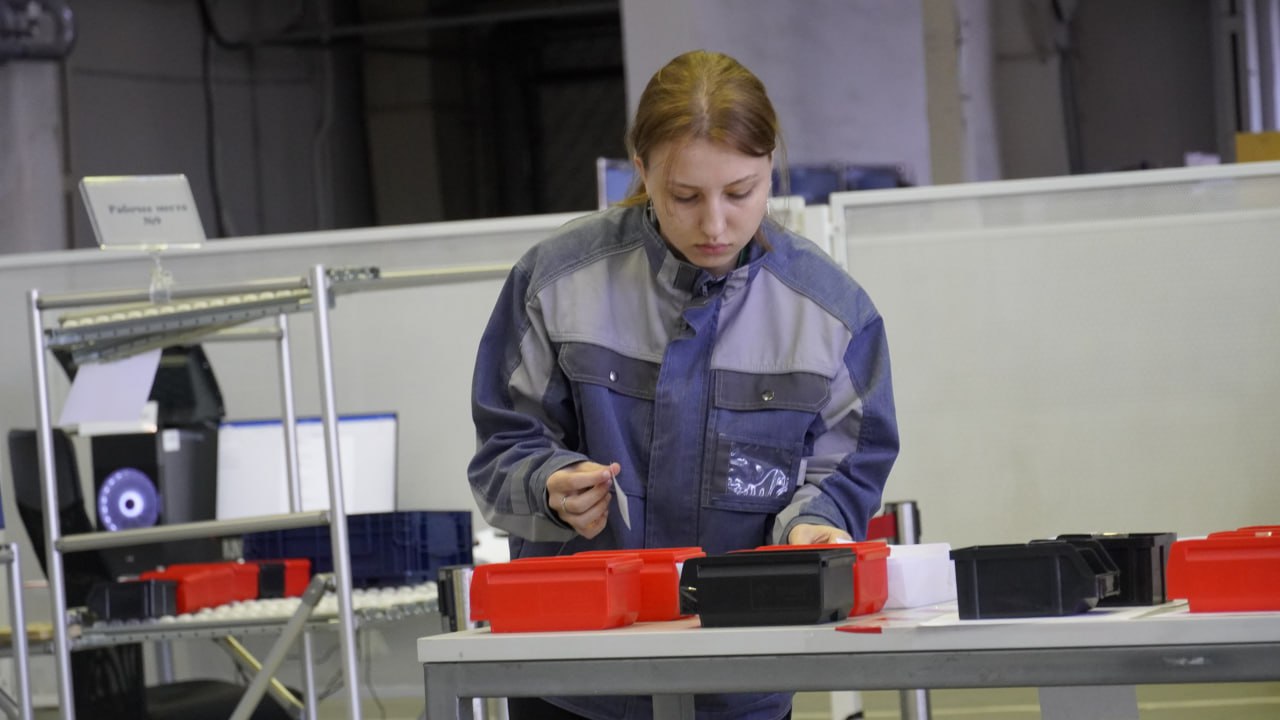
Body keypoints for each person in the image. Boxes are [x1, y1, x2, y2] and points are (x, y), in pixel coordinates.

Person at [469, 49, 899, 720]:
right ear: (641, 170)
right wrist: (548, 487)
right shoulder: (555, 283)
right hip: (573, 676)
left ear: (770, 167)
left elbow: (847, 469)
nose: (715, 225)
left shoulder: (834, 316)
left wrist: (815, 525)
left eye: (741, 192)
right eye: (685, 197)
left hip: (741, 682)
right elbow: (502, 449)